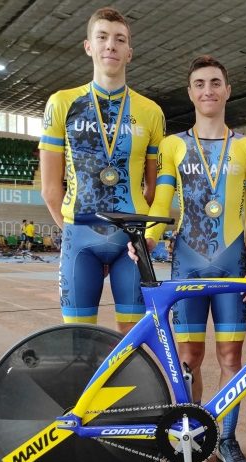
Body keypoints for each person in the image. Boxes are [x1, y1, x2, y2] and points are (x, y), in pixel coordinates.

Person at [142, 55, 246, 462]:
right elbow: (163, 201)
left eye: (215, 82)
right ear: (190, 92)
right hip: (187, 265)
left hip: (233, 267)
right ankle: (191, 439)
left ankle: (227, 438)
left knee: (231, 355)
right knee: (188, 357)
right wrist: (149, 238)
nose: (208, 90)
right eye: (199, 84)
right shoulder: (173, 146)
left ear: (228, 90)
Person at [38, 7, 165, 334]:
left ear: (129, 52)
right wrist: (75, 233)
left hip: (131, 242)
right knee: (79, 341)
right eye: (103, 37)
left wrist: (139, 231)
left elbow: (154, 188)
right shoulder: (61, 103)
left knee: (133, 342)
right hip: (79, 237)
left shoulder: (151, 112)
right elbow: (50, 189)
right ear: (88, 46)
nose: (111, 45)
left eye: (120, 39)